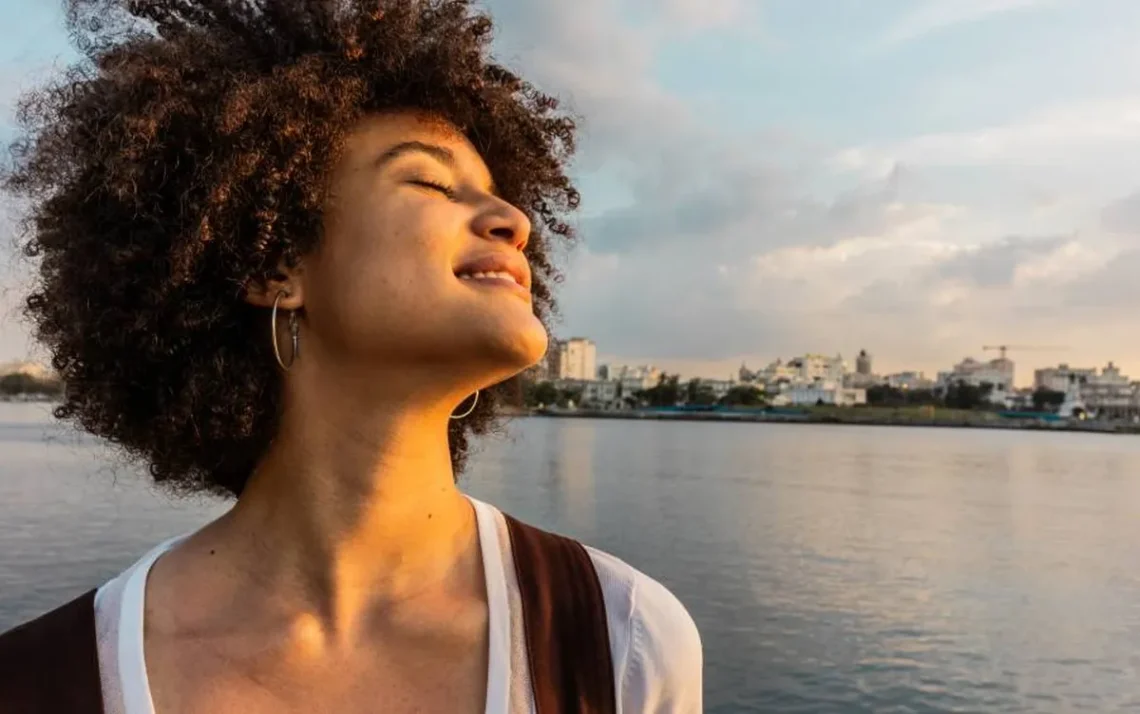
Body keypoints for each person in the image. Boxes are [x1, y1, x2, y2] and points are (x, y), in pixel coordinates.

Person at [0, 0, 702, 712]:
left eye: (503, 197)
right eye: (429, 181)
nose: (514, 221)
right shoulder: (40, 681)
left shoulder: (621, 640)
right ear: (277, 266)